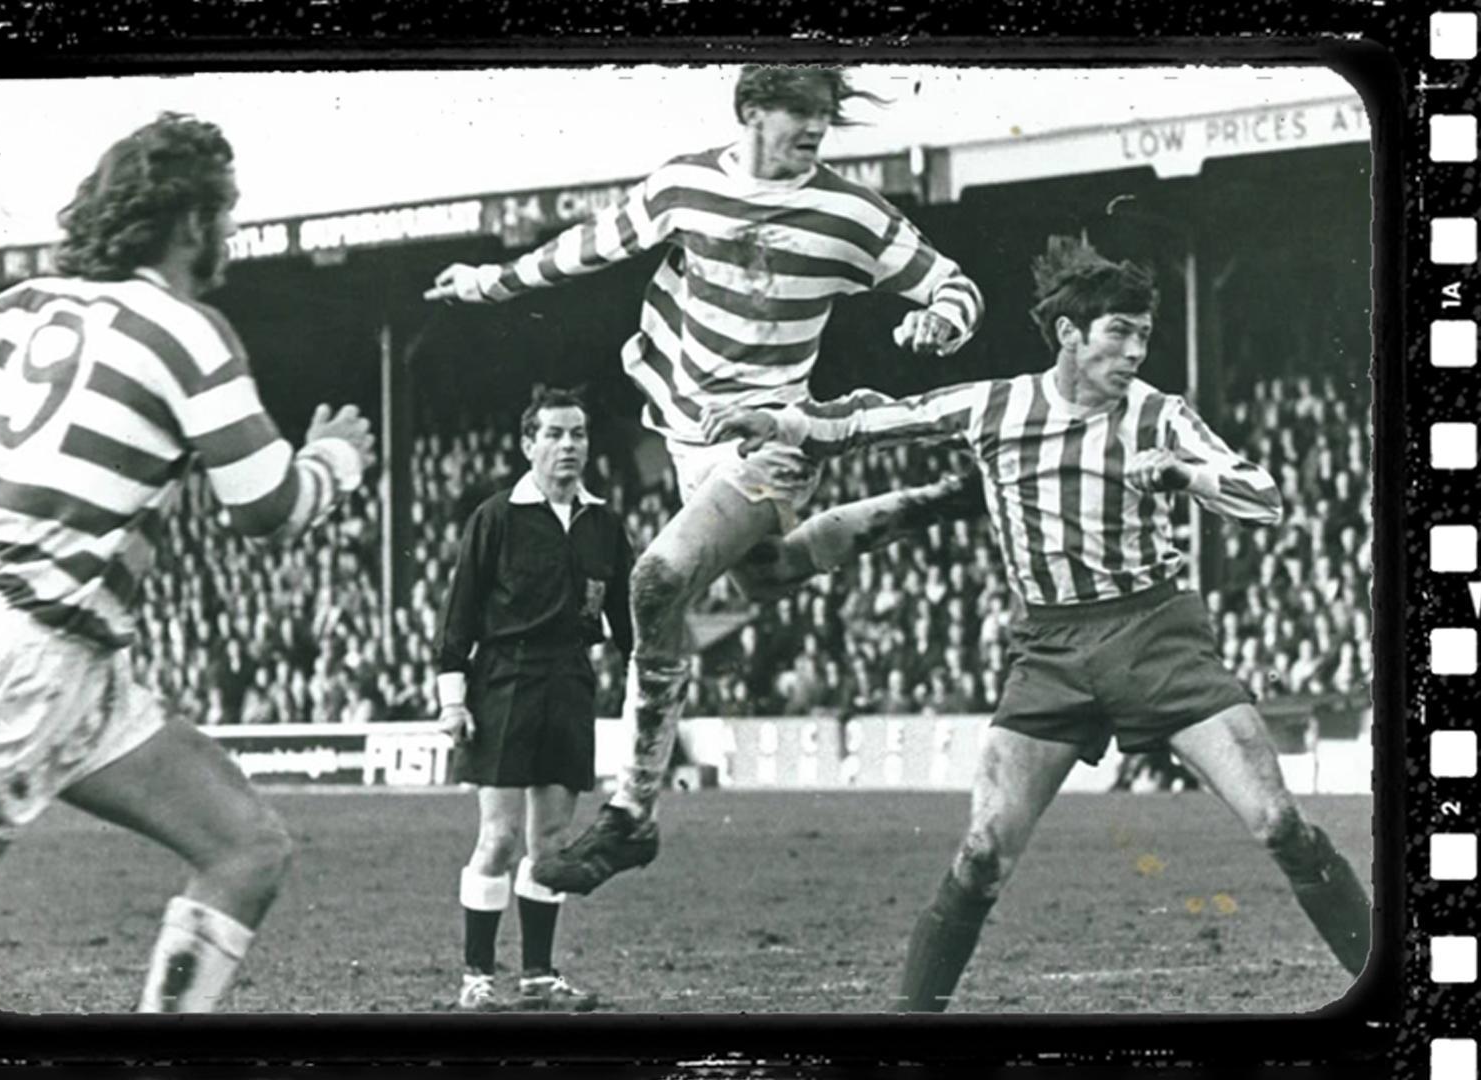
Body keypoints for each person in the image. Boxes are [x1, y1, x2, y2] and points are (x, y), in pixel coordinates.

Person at [703, 235, 1370, 1010]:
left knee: (1279, 823)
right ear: (1068, 335)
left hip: (1158, 637)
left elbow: (1264, 497)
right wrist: (777, 420)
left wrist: (1188, 475)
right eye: (1118, 332)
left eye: (1143, 335)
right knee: (983, 854)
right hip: (1049, 652)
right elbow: (875, 420)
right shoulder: (998, 406)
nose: (1133, 352)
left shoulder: (1158, 415)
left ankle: (1385, 992)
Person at [426, 65, 984, 893]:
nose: (815, 132)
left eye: (825, 118)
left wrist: (942, 319)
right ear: (753, 110)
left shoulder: (850, 211)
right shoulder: (684, 185)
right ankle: (938, 500)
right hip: (690, 435)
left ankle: (632, 815)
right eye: (802, 114)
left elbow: (954, 281)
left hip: (774, 437)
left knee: (655, 581)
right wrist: (484, 282)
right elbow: (582, 249)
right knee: (769, 568)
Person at [0, 113, 374, 1012]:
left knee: (247, 847)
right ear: (190, 222)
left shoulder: (19, 306)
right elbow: (266, 508)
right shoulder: (186, 329)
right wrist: (337, 460)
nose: (231, 235)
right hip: (23, 663)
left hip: (75, 671)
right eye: (227, 213)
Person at [434, 386, 634, 1011]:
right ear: (529, 444)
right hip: (504, 680)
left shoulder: (604, 525)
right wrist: (453, 700)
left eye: (577, 434)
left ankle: (539, 977)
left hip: (571, 682)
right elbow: (459, 615)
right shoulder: (496, 516)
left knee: (550, 844)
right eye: (554, 434)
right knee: (498, 839)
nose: (568, 445)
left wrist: (647, 678)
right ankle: (476, 977)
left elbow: (626, 621)